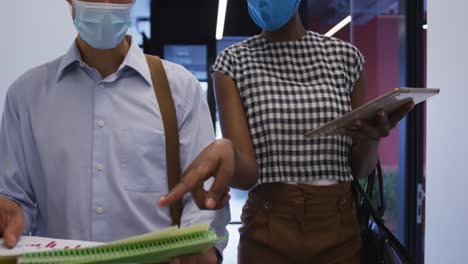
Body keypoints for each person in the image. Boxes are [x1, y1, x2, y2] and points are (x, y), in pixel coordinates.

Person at [159, 0, 414, 263]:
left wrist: (371, 138)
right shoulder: (233, 63)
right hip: (266, 234)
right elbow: (248, 176)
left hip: (341, 233)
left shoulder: (346, 58)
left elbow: (359, 169)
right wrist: (226, 151)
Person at [0, 0, 229, 263]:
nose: (106, 4)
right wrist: (11, 211)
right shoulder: (26, 96)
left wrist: (199, 245)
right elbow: (15, 198)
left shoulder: (180, 89)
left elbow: (203, 196)